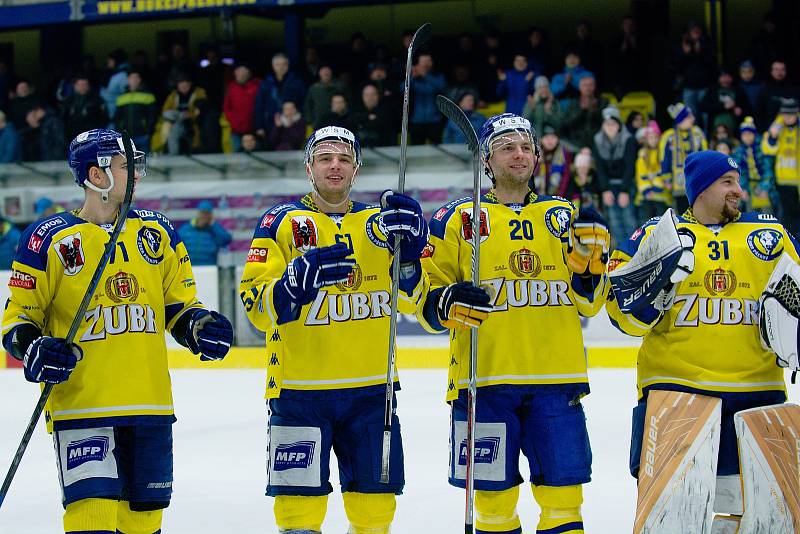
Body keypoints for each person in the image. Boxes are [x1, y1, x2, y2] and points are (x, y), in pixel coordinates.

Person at [1, 128, 233, 534]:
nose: (137, 175)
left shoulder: (158, 232)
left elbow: (178, 308)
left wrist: (199, 328)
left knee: (143, 521)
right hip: (83, 406)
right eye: (127, 166)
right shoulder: (48, 239)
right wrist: (35, 347)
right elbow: (17, 319)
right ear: (97, 174)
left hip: (150, 406)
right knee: (92, 517)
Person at [417, 113, 610, 534]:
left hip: (557, 382)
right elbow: (423, 300)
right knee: (494, 507)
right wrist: (442, 301)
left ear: (538, 157)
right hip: (483, 382)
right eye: (507, 147)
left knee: (564, 502)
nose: (519, 154)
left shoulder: (565, 217)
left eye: (526, 146)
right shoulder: (455, 219)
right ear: (486, 160)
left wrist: (590, 273)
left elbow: (591, 304)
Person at [238, 126, 430, 534]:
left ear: (357, 167)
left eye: (344, 157)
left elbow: (417, 301)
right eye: (325, 157)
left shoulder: (384, 225)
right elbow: (254, 304)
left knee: (375, 516)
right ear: (309, 167)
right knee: (299, 519)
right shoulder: (280, 222)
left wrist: (411, 257)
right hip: (299, 392)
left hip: (372, 394)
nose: (335, 164)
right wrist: (291, 285)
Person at [606, 150, 800, 529]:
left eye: (738, 182)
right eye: (728, 182)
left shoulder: (770, 236)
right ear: (701, 188)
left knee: (756, 517)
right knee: (671, 519)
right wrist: (655, 287)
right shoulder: (657, 234)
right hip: (678, 393)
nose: (738, 191)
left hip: (756, 395)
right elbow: (621, 317)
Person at [658, 102, 708, 213]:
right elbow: (664, 159)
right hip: (678, 184)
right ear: (681, 119)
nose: (693, 119)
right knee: (681, 213)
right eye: (689, 117)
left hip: (697, 182)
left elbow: (705, 157)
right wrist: (667, 179)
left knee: (698, 212)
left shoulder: (698, 134)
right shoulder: (668, 136)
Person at [762, 98, 800, 236]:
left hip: (798, 179)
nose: (788, 118)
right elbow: (767, 149)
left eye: (791, 115)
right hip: (784, 179)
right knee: (788, 216)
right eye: (785, 115)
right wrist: (773, 136)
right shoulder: (776, 126)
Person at [732, 116, 775, 214]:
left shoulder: (763, 148)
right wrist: (743, 189)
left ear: (754, 134)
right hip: (749, 187)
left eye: (749, 134)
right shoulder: (739, 152)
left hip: (764, 186)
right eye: (744, 134)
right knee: (751, 215)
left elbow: (768, 169)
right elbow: (739, 172)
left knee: (767, 215)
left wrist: (765, 188)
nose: (747, 137)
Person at [178, 200, 232, 265]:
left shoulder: (215, 230)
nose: (204, 216)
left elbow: (227, 240)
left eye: (207, 213)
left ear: (211, 216)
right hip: (189, 269)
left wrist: (213, 225)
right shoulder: (186, 229)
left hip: (208, 270)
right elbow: (175, 244)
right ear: (198, 213)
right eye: (202, 213)